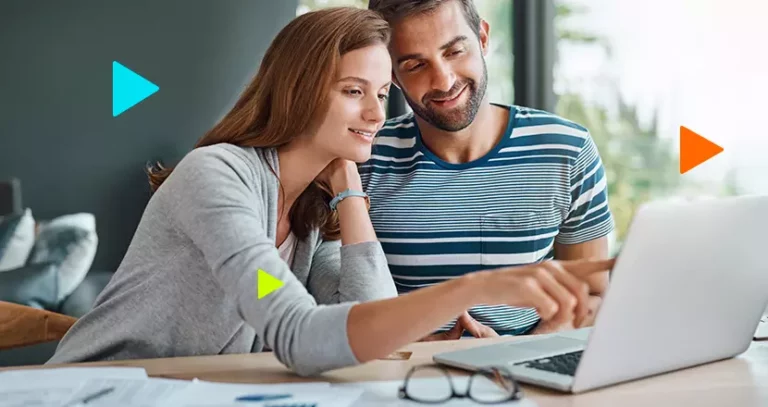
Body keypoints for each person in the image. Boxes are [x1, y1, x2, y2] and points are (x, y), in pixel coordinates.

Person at [47, 7, 614, 376]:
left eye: (382, 92)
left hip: (182, 393)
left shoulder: (310, 214)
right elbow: (299, 333)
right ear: (296, 92)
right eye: (352, 91)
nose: (376, 113)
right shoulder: (216, 178)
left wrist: (346, 182)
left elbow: (363, 317)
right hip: (89, 393)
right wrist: (475, 287)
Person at [364, 0, 615, 339]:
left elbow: (593, 293)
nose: (443, 80)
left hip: (525, 373)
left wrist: (520, 352)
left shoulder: (567, 149)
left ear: (482, 37)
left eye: (454, 51)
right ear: (392, 75)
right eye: (415, 65)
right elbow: (335, 302)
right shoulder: (365, 158)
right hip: (402, 371)